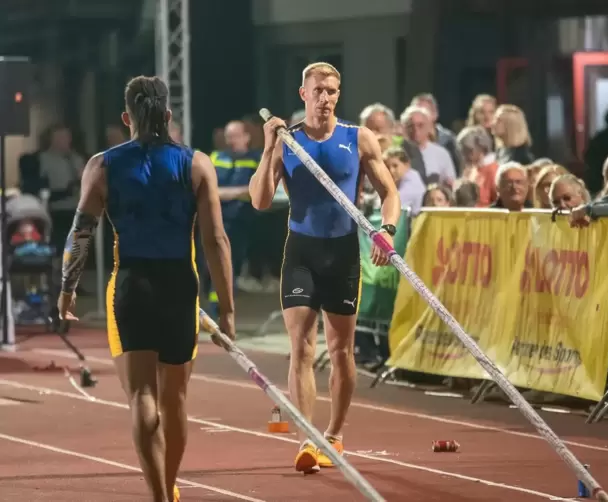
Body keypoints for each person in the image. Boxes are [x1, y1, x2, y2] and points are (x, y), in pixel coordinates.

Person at [57, 75, 234, 502]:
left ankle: (159, 494)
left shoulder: (103, 164)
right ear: (169, 116)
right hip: (180, 284)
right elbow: (216, 241)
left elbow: (80, 232)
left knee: (142, 394)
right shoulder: (196, 164)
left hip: (133, 284)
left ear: (126, 117)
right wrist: (226, 309)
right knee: (175, 398)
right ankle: (170, 486)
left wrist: (68, 287)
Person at [249, 62, 400, 474]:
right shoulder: (287, 141)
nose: (326, 98)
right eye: (318, 91)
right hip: (301, 250)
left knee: (341, 350)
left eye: (332, 91)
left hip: (343, 253)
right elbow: (260, 201)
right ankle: (306, 438)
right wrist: (267, 148)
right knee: (301, 347)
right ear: (304, 94)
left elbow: (390, 194)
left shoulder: (358, 138)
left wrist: (386, 230)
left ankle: (333, 433)